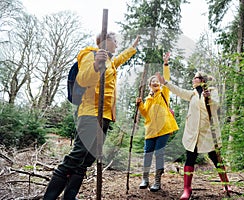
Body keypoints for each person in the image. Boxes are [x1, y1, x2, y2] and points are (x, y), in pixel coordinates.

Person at [43, 32, 140, 200]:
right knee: (77, 155)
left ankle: (69, 197)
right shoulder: (90, 54)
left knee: (88, 158)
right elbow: (83, 79)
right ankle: (49, 197)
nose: (117, 45)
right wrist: (96, 65)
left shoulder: (109, 61)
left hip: (105, 115)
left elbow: (120, 59)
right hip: (90, 113)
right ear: (106, 41)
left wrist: (133, 47)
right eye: (115, 41)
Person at [156, 70, 231, 200]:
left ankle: (226, 184)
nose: (192, 80)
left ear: (201, 80)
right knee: (190, 157)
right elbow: (178, 91)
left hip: (208, 133)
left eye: (195, 78)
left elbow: (216, 105)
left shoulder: (212, 91)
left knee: (216, 158)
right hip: (193, 133)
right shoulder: (192, 94)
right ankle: (187, 189)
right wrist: (166, 83)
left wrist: (209, 98)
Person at [136, 52, 179, 192]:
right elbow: (145, 115)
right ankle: (145, 179)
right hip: (150, 130)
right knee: (147, 153)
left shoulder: (164, 92)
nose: (155, 82)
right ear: (149, 85)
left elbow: (166, 78)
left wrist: (165, 63)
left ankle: (157, 181)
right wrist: (140, 106)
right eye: (152, 81)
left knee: (159, 153)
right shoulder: (148, 99)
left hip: (164, 129)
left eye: (156, 81)